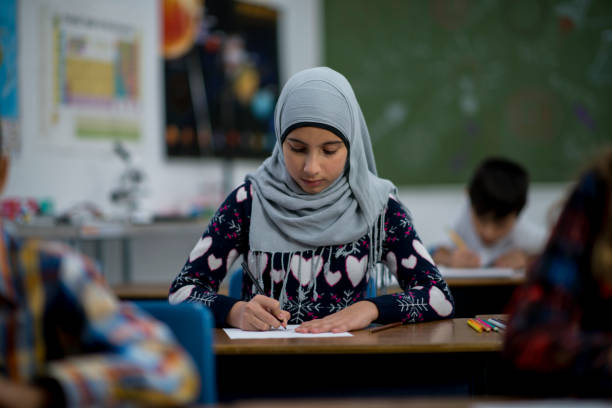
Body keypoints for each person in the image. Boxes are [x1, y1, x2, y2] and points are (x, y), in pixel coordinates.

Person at [169, 67, 454, 332]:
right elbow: (182, 292)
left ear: (351, 146)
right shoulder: (249, 202)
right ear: (280, 142)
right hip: (263, 366)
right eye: (296, 148)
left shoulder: (377, 207)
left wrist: (372, 309)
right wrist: (234, 311)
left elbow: (439, 297)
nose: (311, 167)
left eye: (329, 151)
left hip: (349, 368)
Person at [0, 144, 199, 406]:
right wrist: (234, 308)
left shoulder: (53, 273)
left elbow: (171, 368)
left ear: (2, 171)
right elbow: (189, 286)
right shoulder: (242, 202)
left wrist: (43, 394)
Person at [503, 149, 612, 397]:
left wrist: (529, 258)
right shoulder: (600, 190)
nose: (488, 232)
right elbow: (527, 334)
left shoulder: (527, 233)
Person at [432, 157, 546, 269]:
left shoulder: (522, 229)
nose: (489, 233)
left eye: (500, 224)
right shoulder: (458, 216)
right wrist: (450, 259)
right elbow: (432, 252)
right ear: (468, 197)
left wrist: (527, 259)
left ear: (519, 213)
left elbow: (556, 253)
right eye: (481, 219)